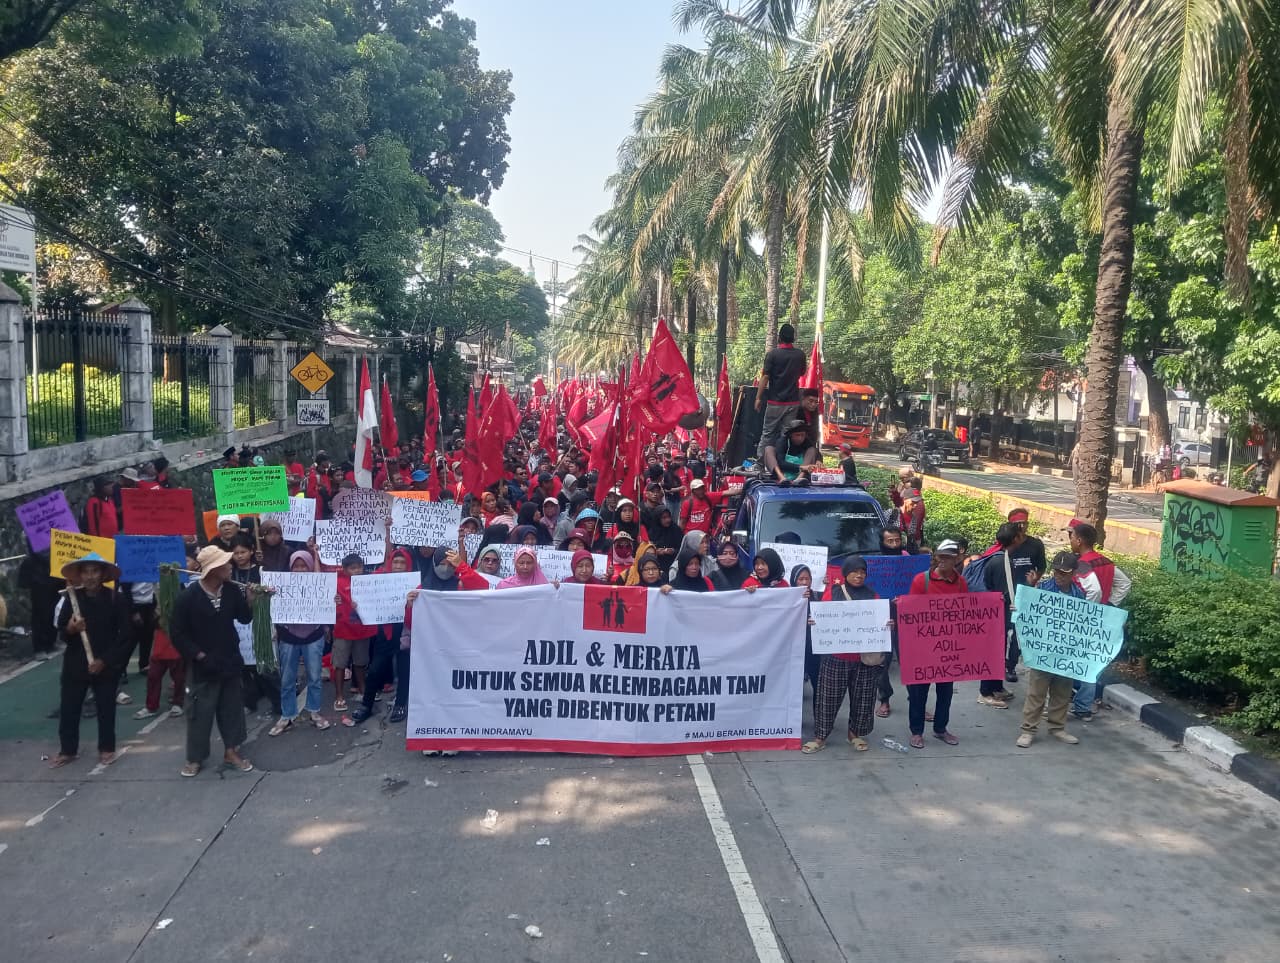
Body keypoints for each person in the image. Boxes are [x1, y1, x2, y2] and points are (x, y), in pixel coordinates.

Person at [169, 546, 256, 777]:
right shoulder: (188, 597)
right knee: (199, 712)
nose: (230, 567)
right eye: (225, 564)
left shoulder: (231, 591)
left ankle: (231, 751)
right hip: (203, 664)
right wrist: (198, 655)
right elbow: (177, 633)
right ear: (213, 569)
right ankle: (195, 757)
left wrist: (250, 600)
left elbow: (244, 618)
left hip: (229, 658)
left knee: (232, 709)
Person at [50, 553, 128, 768]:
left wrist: (105, 660)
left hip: (105, 663)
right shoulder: (71, 599)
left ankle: (107, 748)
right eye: (86, 572)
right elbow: (62, 633)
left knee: (106, 708)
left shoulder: (116, 599)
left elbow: (125, 636)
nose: (90, 576)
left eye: (95, 571)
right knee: (69, 707)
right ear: (80, 575)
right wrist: (71, 628)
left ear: (102, 575)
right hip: (75, 662)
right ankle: (68, 750)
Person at [802, 556, 884, 754]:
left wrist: (887, 624)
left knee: (863, 699)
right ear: (846, 573)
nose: (859, 575)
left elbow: (880, 621)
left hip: (864, 658)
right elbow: (823, 617)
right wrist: (815, 622)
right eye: (855, 571)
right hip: (836, 657)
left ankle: (854, 734)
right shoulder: (833, 592)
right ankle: (820, 737)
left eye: (862, 572)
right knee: (827, 698)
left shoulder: (873, 596)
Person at [1015, 551, 1084, 748]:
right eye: (1057, 572)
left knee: (1062, 692)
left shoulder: (1079, 595)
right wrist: (1021, 605)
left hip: (1066, 652)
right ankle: (1028, 730)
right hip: (1043, 651)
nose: (1059, 576)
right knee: (1036, 692)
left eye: (1064, 573)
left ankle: (1057, 727)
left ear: (1074, 574)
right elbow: (1027, 610)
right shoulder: (1042, 588)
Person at [903, 540, 967, 748]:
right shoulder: (921, 581)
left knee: (945, 692)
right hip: (923, 648)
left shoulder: (960, 583)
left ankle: (940, 729)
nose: (943, 560)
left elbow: (967, 612)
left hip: (948, 648)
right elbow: (912, 613)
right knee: (918, 692)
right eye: (941, 556)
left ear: (957, 559)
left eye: (948, 557)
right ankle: (916, 731)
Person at [346, 548, 418, 725]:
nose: (398, 566)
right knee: (375, 670)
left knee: (404, 671)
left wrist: (411, 604)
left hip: (405, 633)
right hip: (385, 632)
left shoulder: (415, 585)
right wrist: (358, 603)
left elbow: (418, 613)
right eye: (395, 562)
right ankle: (366, 705)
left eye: (402, 563)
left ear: (408, 565)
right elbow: (364, 595)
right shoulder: (379, 579)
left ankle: (401, 704)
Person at [1068, 521, 1131, 719]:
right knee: (1091, 662)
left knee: (1079, 661)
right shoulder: (1106, 563)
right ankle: (1082, 702)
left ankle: (1080, 703)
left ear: (1079, 540)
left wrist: (1086, 611)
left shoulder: (1082, 564)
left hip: (1084, 619)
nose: (1070, 541)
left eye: (1071, 537)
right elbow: (1125, 583)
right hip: (1103, 618)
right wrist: (1110, 604)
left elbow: (1093, 591)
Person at [268, 551, 332, 736]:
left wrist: (328, 618)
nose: (300, 569)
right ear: (290, 568)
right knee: (287, 679)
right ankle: (287, 715)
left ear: (310, 567)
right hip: (288, 636)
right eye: (296, 566)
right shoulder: (281, 586)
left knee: (315, 676)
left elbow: (326, 605)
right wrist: (268, 594)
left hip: (314, 636)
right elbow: (273, 607)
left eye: (304, 566)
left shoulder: (319, 585)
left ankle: (314, 712)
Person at [976, 522, 1027, 708]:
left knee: (999, 650)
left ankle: (996, 687)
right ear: (1015, 539)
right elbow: (1003, 592)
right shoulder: (1001, 562)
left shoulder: (1001, 557)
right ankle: (985, 692)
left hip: (998, 614)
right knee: (993, 651)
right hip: (998, 616)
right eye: (1020, 535)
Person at [1004, 508, 1047, 684]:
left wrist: (1035, 578)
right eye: (1018, 524)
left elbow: (1042, 566)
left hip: (1025, 594)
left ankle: (1011, 666)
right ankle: (998, 662)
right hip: (1006, 595)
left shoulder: (1036, 545)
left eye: (1025, 523)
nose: (1022, 527)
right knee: (1002, 631)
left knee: (1019, 633)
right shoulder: (1005, 544)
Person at [754, 322, 807, 460]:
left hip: (775, 402)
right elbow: (802, 373)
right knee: (785, 434)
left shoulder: (772, 355)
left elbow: (765, 377)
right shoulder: (800, 355)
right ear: (793, 337)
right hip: (793, 402)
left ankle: (761, 462)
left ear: (780, 337)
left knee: (768, 433)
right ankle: (780, 462)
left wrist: (758, 398)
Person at [332, 553, 375, 712]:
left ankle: (363, 691)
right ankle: (339, 696)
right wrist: (333, 600)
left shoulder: (369, 582)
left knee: (361, 662)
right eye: (352, 568)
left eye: (359, 567)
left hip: (362, 630)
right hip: (343, 630)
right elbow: (324, 597)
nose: (357, 570)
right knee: (340, 664)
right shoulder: (336, 583)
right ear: (344, 569)